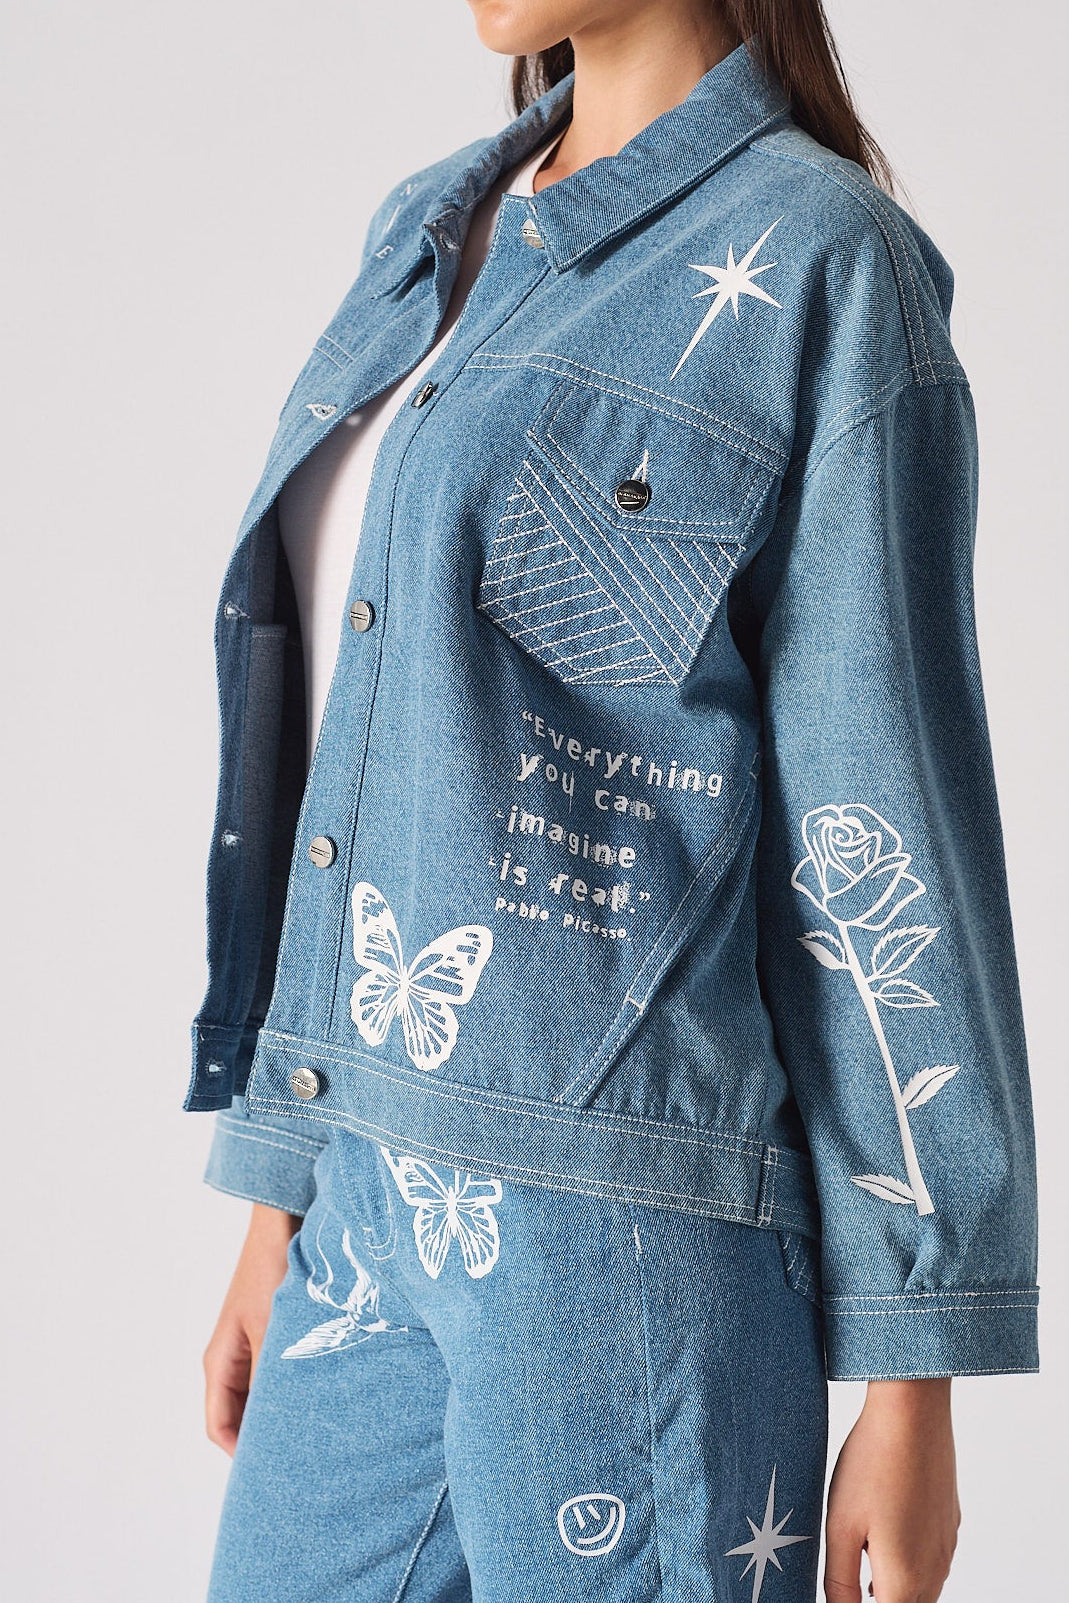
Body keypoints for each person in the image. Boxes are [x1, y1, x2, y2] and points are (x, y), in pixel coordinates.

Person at [188, 4, 1040, 1601]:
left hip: (628, 1234)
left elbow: (882, 813)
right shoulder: (429, 227)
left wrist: (912, 1370)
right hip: (362, 1192)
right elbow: (364, 741)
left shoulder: (822, 259)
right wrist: (281, 1181)